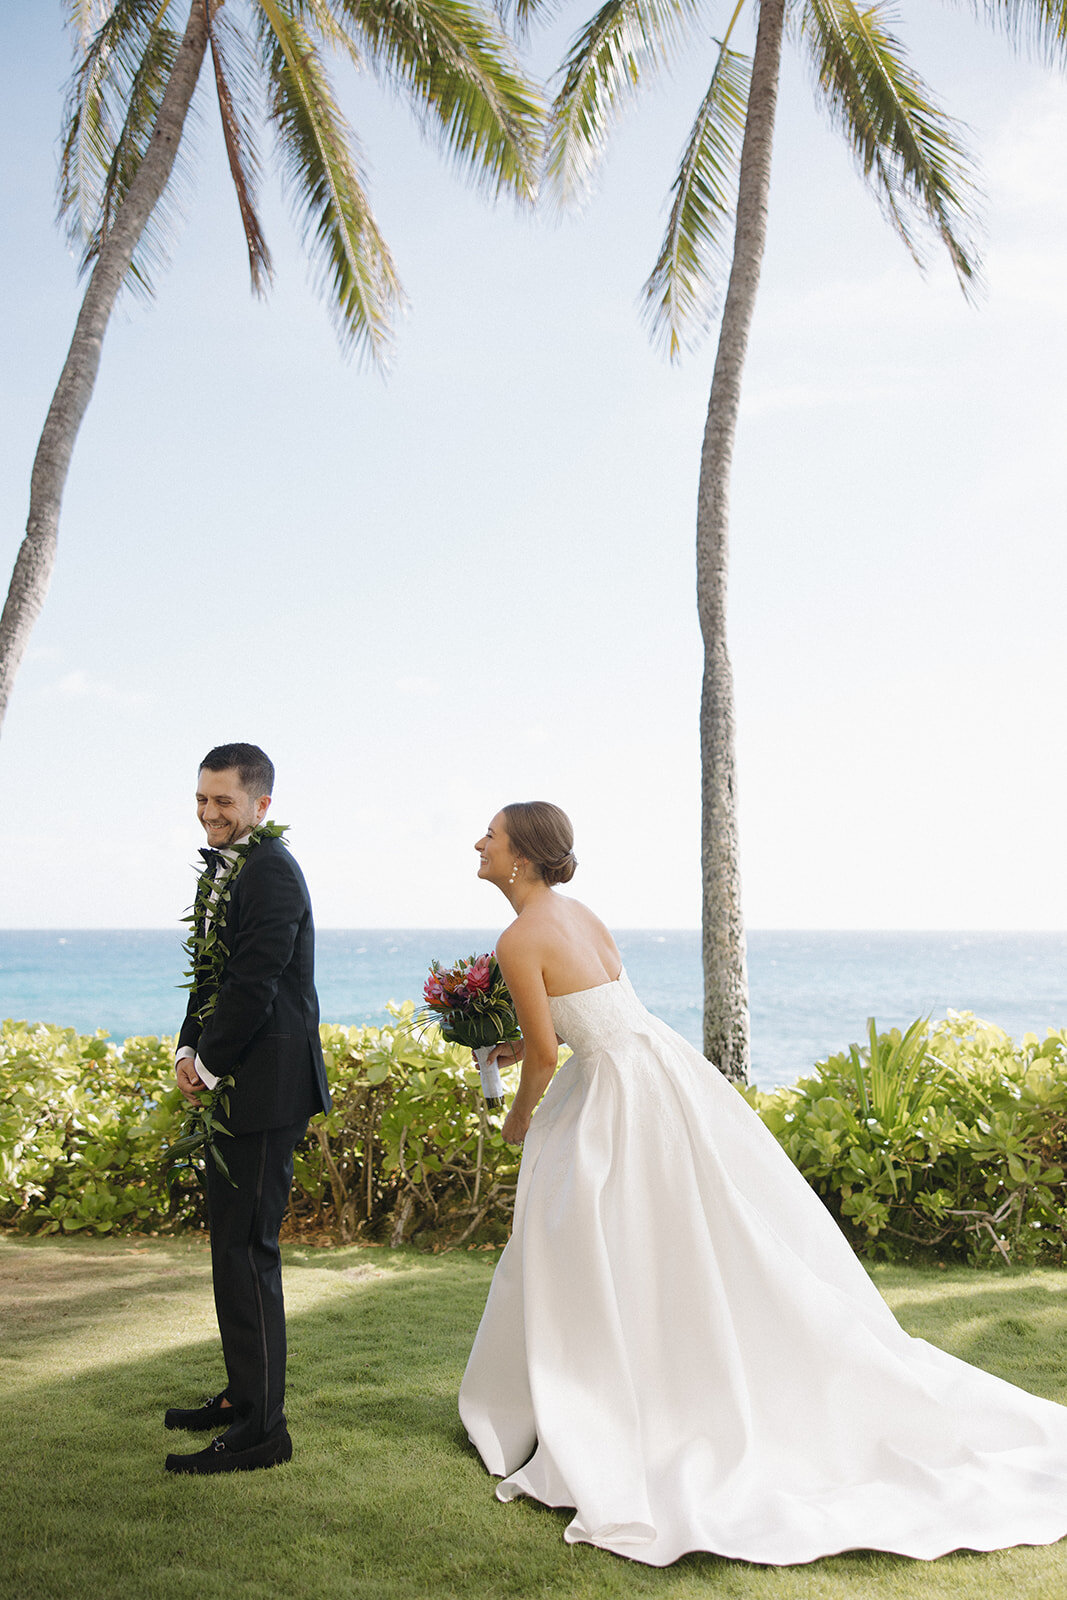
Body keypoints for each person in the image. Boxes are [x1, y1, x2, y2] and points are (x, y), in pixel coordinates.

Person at [459, 801, 1067, 1566]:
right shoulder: (578, 913)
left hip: (613, 1096)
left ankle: (616, 1391)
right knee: (680, 1234)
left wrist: (516, 1122)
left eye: (491, 833)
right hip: (656, 1070)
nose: (478, 841)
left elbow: (550, 1059)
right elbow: (593, 1013)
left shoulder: (518, 937)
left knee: (589, 1237)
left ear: (521, 855)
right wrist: (520, 1044)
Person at [164, 743, 330, 1475]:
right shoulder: (229, 871)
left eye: (222, 802)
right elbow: (212, 975)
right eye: (201, 800)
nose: (208, 814)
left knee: (248, 1253)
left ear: (261, 805)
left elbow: (257, 982)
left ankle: (263, 1433)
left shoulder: (272, 872)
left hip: (269, 1090)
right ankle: (241, 1396)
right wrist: (185, 1048)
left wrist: (210, 1061)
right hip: (239, 1082)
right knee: (229, 1247)